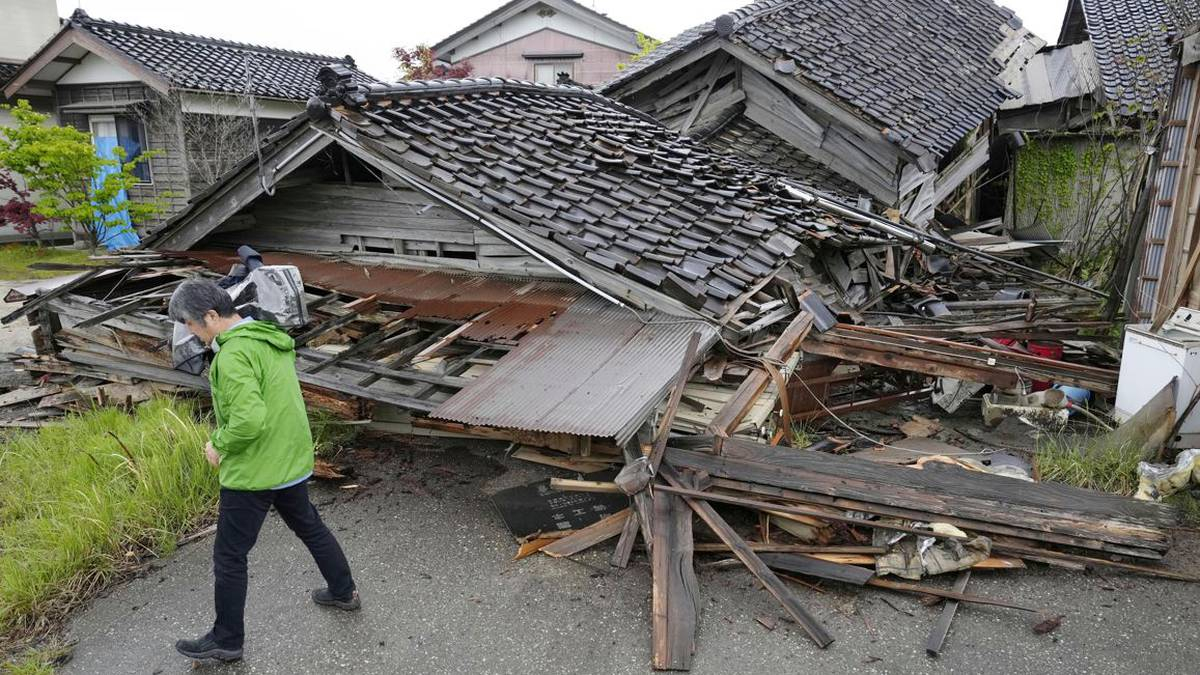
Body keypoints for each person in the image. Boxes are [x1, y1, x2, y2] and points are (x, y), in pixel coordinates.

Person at [168, 278, 359, 663]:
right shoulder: (268, 338)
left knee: (229, 556)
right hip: (289, 459)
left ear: (210, 316)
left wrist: (218, 443)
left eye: (189, 323)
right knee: (310, 527)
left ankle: (226, 640)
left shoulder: (233, 355)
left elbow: (249, 420)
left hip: (255, 471)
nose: (190, 332)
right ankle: (343, 592)